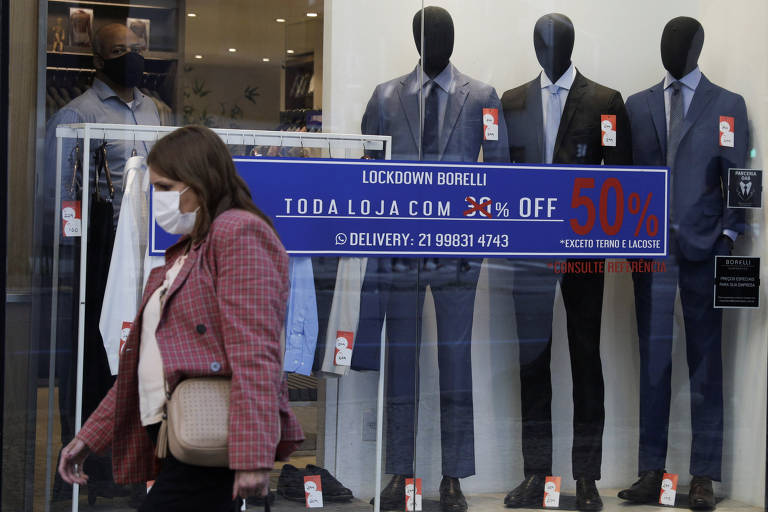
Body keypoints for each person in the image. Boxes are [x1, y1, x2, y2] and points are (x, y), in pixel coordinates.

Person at [57, 125, 304, 511]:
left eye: (164, 187)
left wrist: (254, 456)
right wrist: (88, 437)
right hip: (182, 437)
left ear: (198, 183)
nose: (156, 199)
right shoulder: (187, 250)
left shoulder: (239, 233)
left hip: (213, 438)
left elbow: (257, 351)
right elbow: (143, 363)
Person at [42, 22, 162, 505]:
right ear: (98, 59)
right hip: (97, 256)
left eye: (136, 49)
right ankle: (84, 466)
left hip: (149, 252)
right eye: (119, 51)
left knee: (141, 360)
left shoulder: (154, 110)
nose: (130, 57)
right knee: (94, 359)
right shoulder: (75, 115)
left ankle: (133, 468)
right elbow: (58, 198)